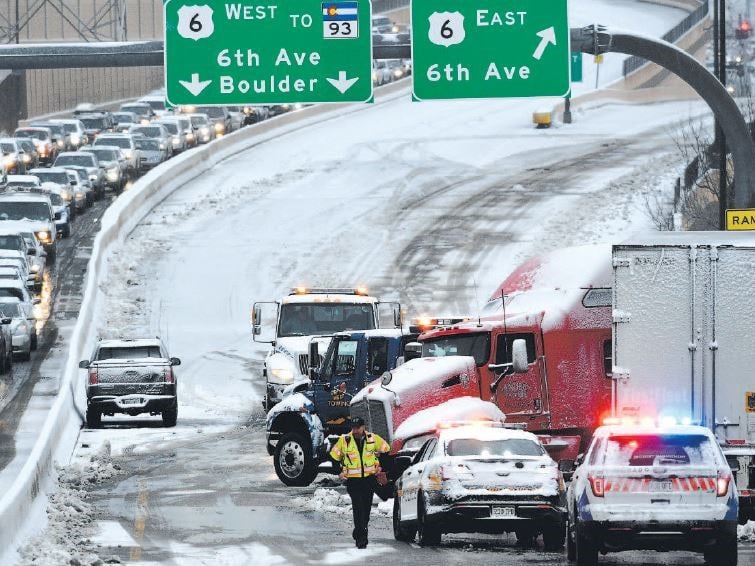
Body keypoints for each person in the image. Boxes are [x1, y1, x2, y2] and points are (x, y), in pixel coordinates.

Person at [329, 416, 390, 548]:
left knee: (366, 509)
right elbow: (334, 457)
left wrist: (381, 467)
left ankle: (359, 530)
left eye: (358, 427)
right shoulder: (344, 441)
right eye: (353, 428)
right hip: (353, 481)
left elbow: (386, 450)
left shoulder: (373, 439)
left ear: (363, 427)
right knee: (358, 507)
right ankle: (361, 539)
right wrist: (339, 472)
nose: (355, 430)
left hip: (369, 480)